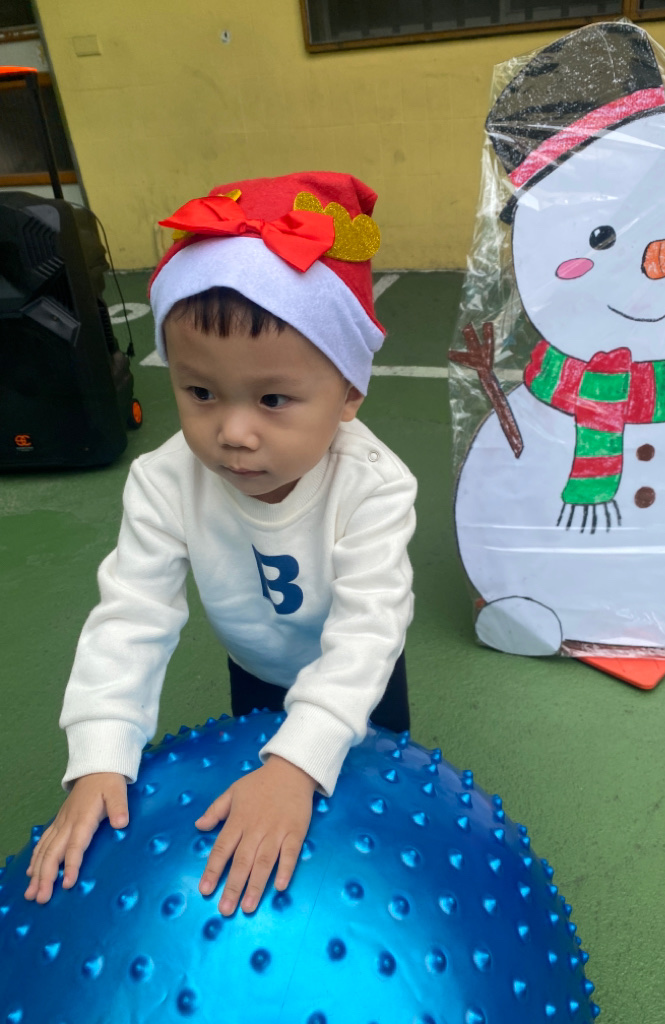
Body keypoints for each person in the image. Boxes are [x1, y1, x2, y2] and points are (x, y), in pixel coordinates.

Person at [24, 172, 417, 918]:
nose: (233, 432)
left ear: (349, 393)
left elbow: (369, 629)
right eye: (200, 392)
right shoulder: (164, 480)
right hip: (255, 665)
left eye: (273, 399)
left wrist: (301, 760)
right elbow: (132, 613)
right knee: (258, 795)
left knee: (372, 795)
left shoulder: (375, 486)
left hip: (359, 672)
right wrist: (100, 753)